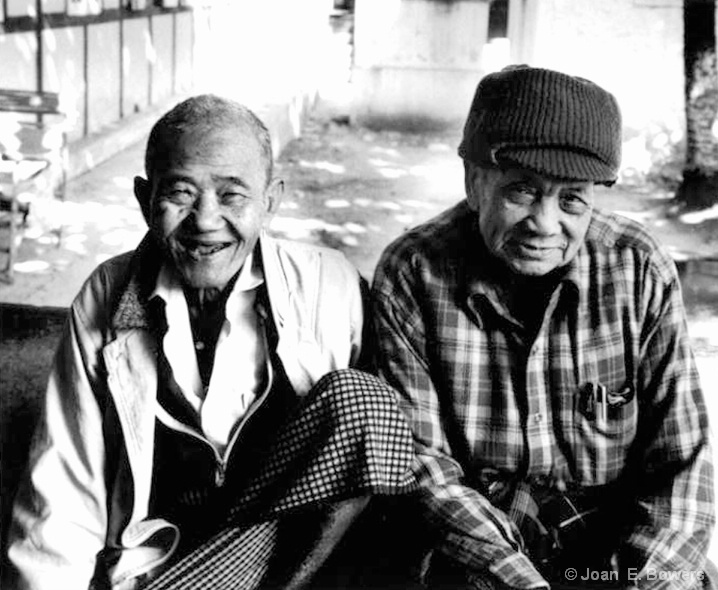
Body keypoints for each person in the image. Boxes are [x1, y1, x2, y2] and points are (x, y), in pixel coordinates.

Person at [4, 94, 416, 590]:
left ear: (271, 200)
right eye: (180, 192)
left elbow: (377, 456)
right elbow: (64, 488)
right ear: (143, 199)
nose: (204, 220)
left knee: (364, 400)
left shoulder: (330, 285)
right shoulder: (108, 294)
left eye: (232, 195)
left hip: (297, 563)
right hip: (165, 562)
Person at [371, 65, 715, 590]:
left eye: (572, 198)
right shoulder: (412, 273)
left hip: (611, 551)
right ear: (474, 182)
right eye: (523, 191)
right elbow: (425, 473)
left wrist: (645, 583)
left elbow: (683, 465)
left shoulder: (637, 266)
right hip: (477, 544)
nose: (545, 223)